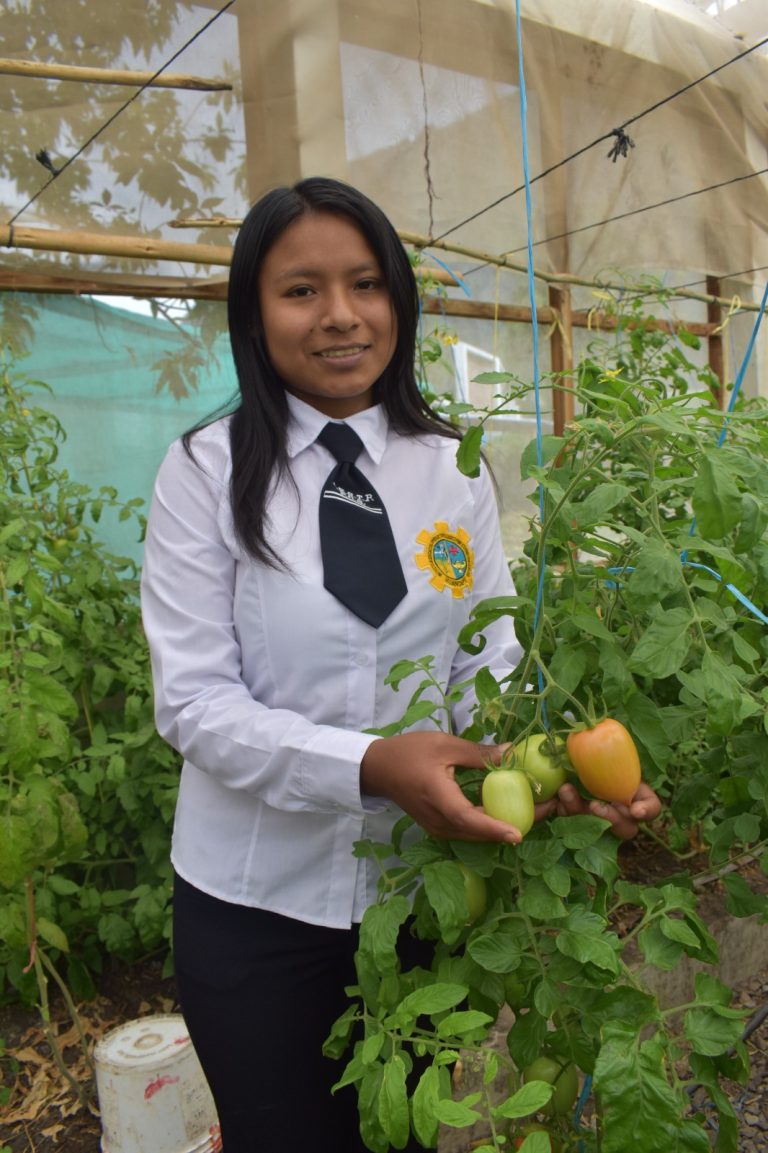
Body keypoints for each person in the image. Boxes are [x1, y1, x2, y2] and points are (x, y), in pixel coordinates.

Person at [140, 177, 660, 1153]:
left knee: (404, 1136)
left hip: (419, 893)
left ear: (401, 301)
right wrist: (368, 766)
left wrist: (564, 774)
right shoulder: (207, 472)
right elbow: (194, 703)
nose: (340, 315)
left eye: (367, 283)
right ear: (254, 311)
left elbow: (487, 670)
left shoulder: (449, 464)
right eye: (301, 290)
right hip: (256, 906)